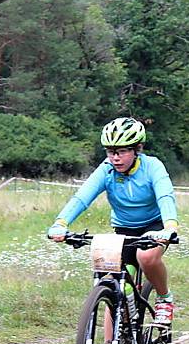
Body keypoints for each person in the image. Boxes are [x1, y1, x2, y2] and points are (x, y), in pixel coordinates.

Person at [47, 117, 178, 330]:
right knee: (116, 287)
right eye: (110, 151)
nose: (115, 158)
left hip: (154, 226)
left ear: (137, 149)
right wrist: (60, 223)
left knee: (146, 257)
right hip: (123, 229)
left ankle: (164, 298)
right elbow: (82, 197)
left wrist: (170, 227)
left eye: (122, 152)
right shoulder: (106, 169)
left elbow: (165, 196)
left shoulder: (153, 166)